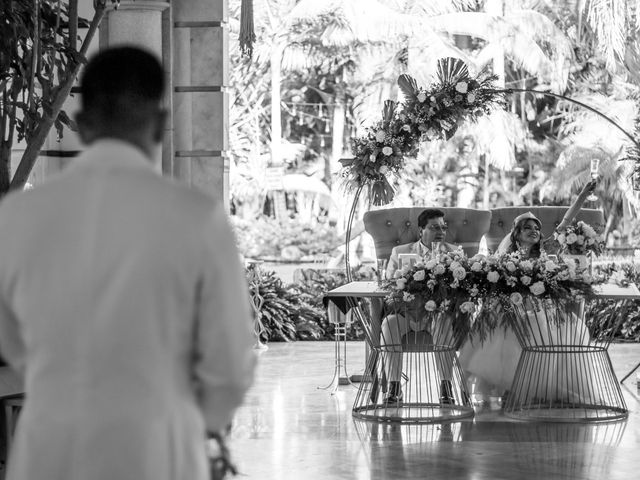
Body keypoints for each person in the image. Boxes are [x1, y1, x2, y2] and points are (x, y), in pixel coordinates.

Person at [0, 46, 256, 480]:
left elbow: (13, 344)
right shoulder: (196, 218)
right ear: (160, 124)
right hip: (159, 448)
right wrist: (200, 424)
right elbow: (229, 363)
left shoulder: (14, 217)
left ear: (81, 125)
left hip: (48, 450)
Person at [459, 180, 597, 401]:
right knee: (506, 324)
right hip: (511, 308)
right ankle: (513, 387)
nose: (534, 231)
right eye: (527, 228)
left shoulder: (545, 250)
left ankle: (540, 387)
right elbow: (495, 287)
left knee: (562, 325)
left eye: (536, 228)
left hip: (541, 308)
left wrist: (581, 195)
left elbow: (565, 223)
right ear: (516, 234)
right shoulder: (504, 258)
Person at [381, 208, 461, 405]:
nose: (440, 232)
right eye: (434, 227)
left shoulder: (454, 253)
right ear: (420, 231)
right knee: (388, 325)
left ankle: (445, 387)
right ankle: (394, 387)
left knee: (444, 323)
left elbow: (461, 287)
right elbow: (388, 284)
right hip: (406, 312)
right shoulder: (400, 252)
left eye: (443, 227)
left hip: (437, 313)